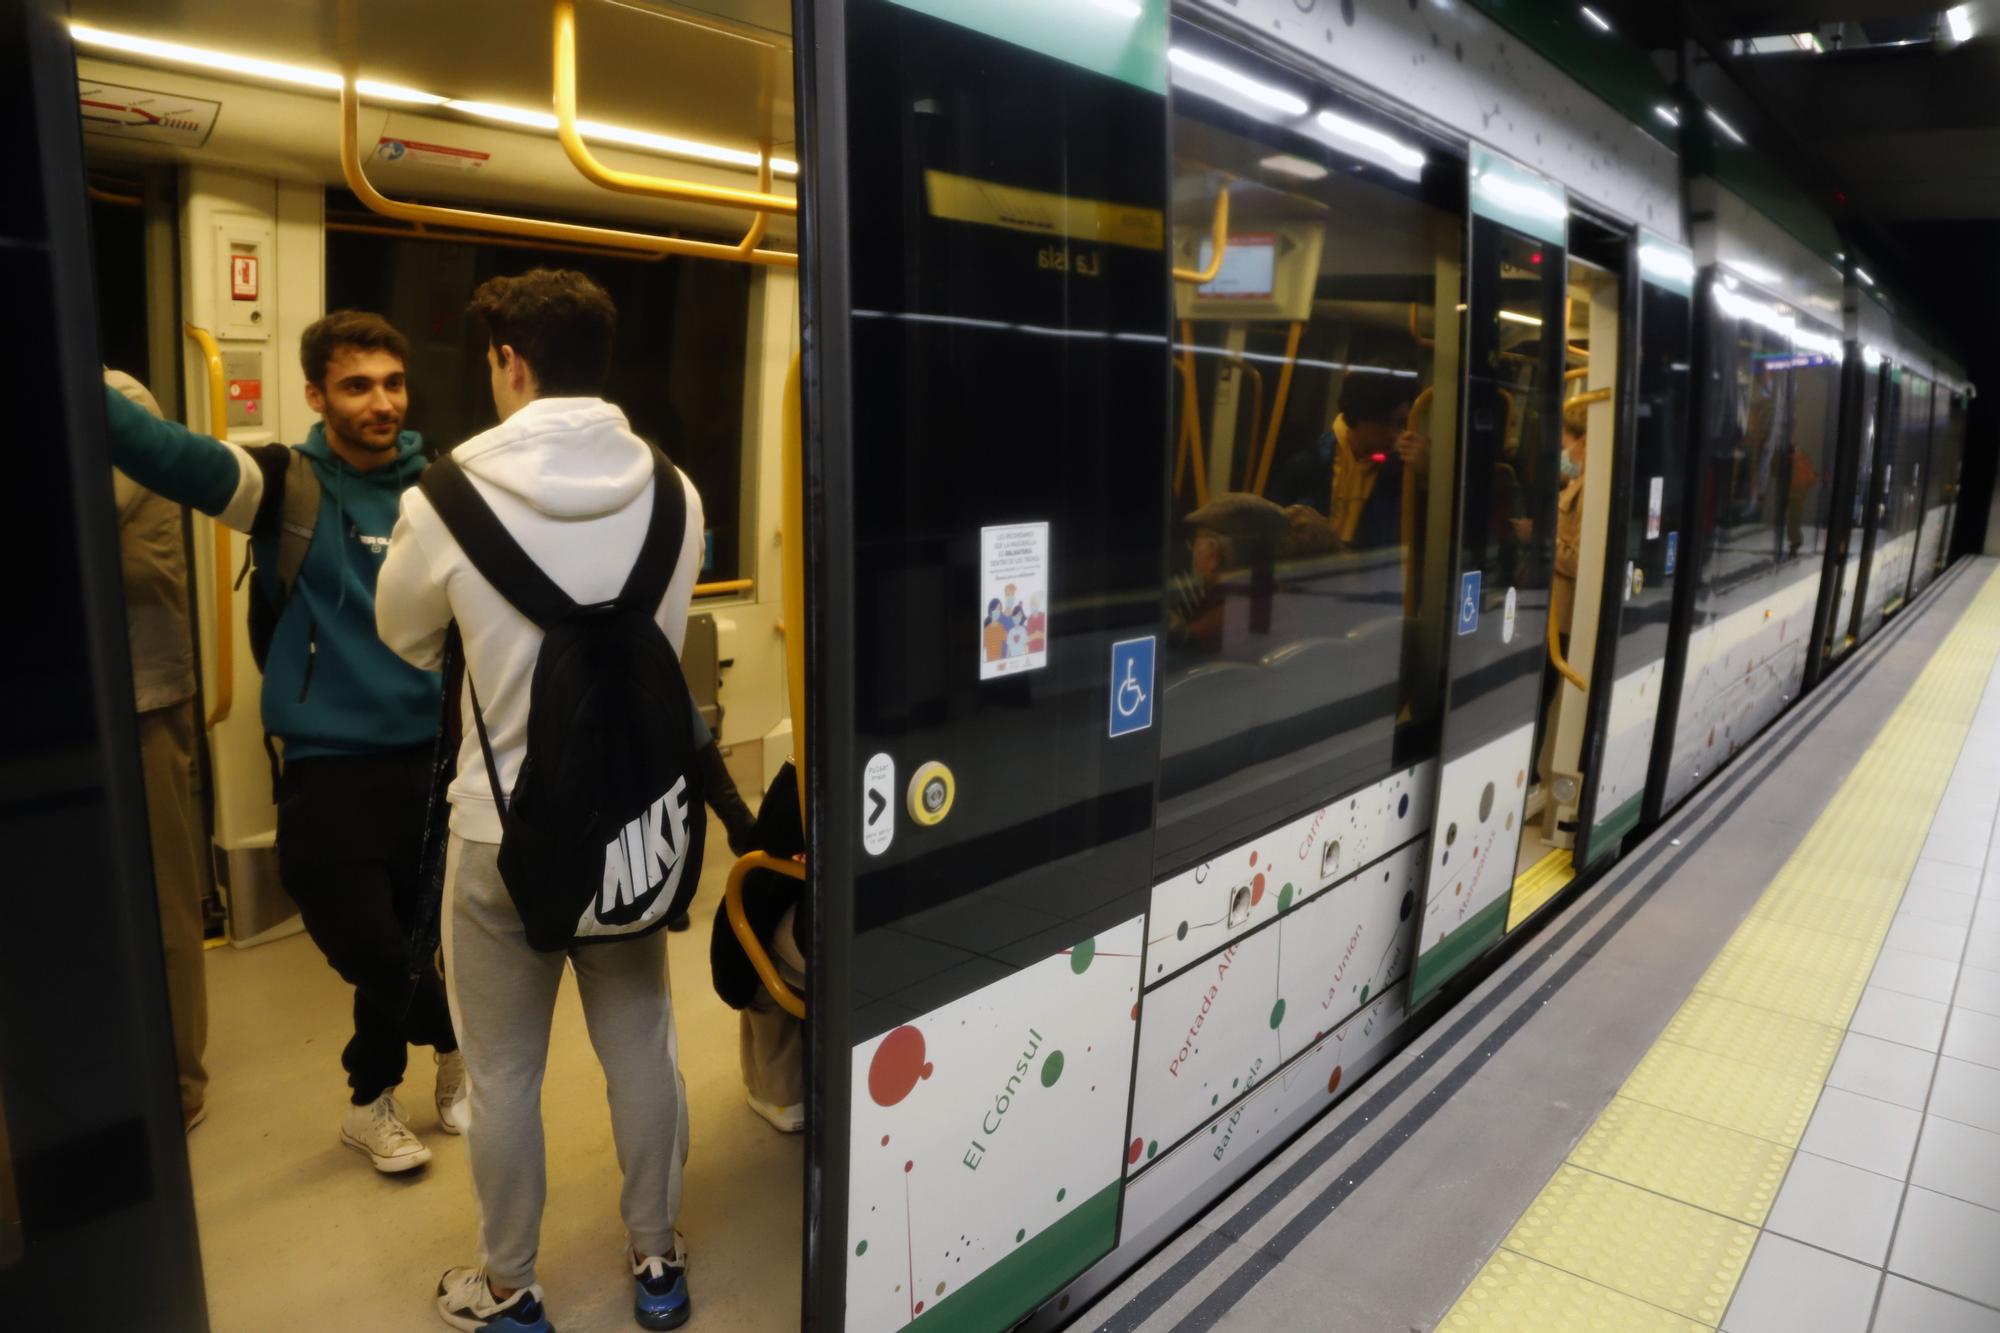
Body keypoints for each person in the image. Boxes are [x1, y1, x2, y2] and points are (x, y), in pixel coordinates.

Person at [376, 268, 701, 1333]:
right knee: (643, 1039)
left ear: (510, 362)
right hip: (631, 828)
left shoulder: (443, 497)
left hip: (499, 839)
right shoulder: (676, 489)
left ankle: (510, 1289)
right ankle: (657, 1262)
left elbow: (405, 635)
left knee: (505, 1072)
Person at [100, 313, 464, 1174]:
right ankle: (459, 1038)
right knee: (360, 935)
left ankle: (373, 1102)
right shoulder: (283, 484)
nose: (381, 402)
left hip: (431, 757)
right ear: (316, 394)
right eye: (356, 384)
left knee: (410, 940)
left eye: (392, 383)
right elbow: (160, 452)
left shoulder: (444, 486)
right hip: (328, 763)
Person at [106, 370, 210, 1133]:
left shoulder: (117, 400)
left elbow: (73, 511)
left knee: (165, 894)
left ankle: (179, 1078)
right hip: (79, 692)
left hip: (143, 690)